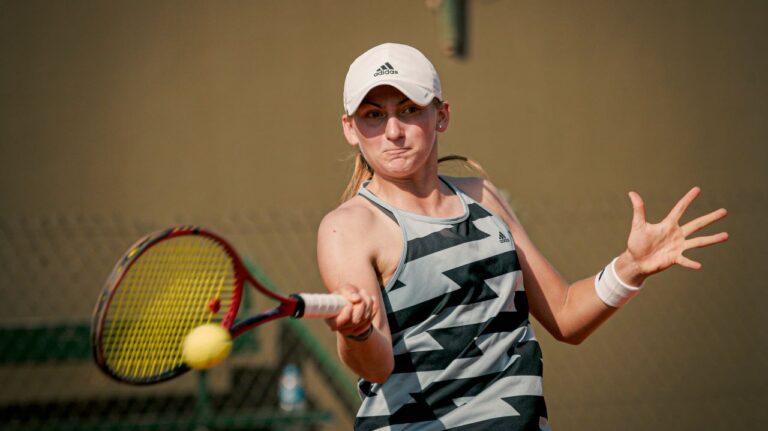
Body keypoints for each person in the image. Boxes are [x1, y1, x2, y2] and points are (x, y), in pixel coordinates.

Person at [317, 43, 728, 431]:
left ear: (441, 115)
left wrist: (631, 267)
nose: (393, 131)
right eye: (373, 115)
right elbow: (376, 366)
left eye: (409, 109)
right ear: (350, 128)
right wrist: (357, 332)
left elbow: (565, 316)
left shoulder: (483, 197)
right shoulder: (347, 229)